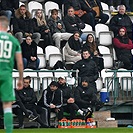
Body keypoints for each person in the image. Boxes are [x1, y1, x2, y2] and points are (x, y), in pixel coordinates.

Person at [0, 16, 23, 133]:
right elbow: (19, 62)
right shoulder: (13, 40)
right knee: (7, 106)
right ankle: (8, 132)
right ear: (7, 26)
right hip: (6, 75)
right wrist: (20, 78)